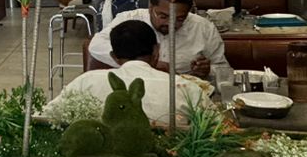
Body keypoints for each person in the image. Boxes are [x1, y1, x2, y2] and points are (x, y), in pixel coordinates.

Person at [59, 19, 212, 125]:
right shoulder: (185, 88)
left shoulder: (85, 81)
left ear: (114, 57)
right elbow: (218, 128)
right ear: (156, 51)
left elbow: (49, 116)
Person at [88, 0, 228, 78]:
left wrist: (208, 70)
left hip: (184, 91)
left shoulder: (203, 27)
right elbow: (96, 45)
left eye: (180, 19)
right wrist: (141, 64)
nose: (170, 24)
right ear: (150, 8)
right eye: (163, 16)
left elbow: (224, 69)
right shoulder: (129, 19)